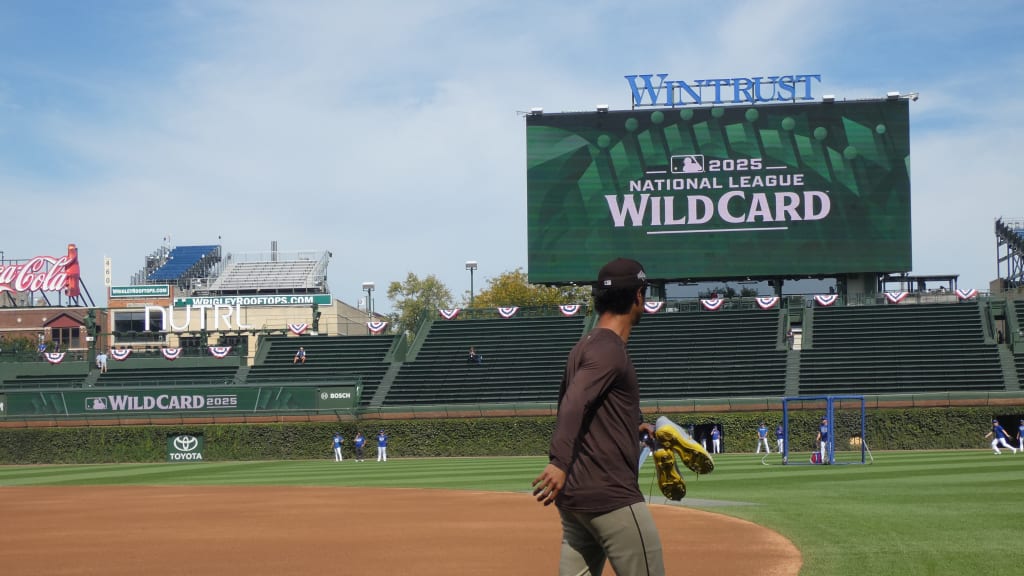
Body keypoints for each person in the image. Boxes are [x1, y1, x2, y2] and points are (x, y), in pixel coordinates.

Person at [531, 257, 666, 576]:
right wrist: (559, 461)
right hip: (611, 497)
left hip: (576, 501)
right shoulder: (610, 349)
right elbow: (574, 403)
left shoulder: (585, 345)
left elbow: (587, 407)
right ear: (638, 296)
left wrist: (634, 427)